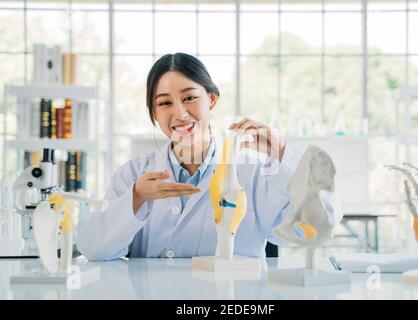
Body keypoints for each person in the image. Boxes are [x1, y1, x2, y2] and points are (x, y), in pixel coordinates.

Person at [77, 52, 303, 261]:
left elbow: (305, 230)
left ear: (212, 99)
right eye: (165, 103)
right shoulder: (133, 175)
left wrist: (283, 153)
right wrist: (136, 198)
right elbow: (93, 249)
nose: (180, 113)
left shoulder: (250, 173)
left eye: (189, 98)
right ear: (155, 113)